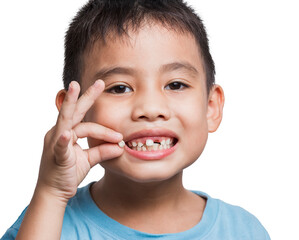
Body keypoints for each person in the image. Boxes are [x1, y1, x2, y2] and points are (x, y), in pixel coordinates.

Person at [1, 0, 270, 239]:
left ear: (211, 106)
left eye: (175, 84)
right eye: (119, 88)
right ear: (72, 112)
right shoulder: (46, 222)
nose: (151, 109)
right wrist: (51, 192)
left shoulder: (244, 230)